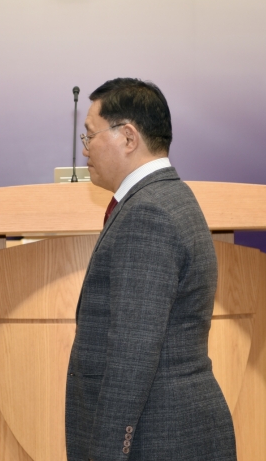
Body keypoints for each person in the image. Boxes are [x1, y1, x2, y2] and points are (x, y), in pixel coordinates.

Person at [65, 78, 236, 460]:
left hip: (158, 437)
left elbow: (132, 355)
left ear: (128, 137)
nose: (85, 149)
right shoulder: (167, 195)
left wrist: (109, 453)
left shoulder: (148, 213)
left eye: (90, 135)